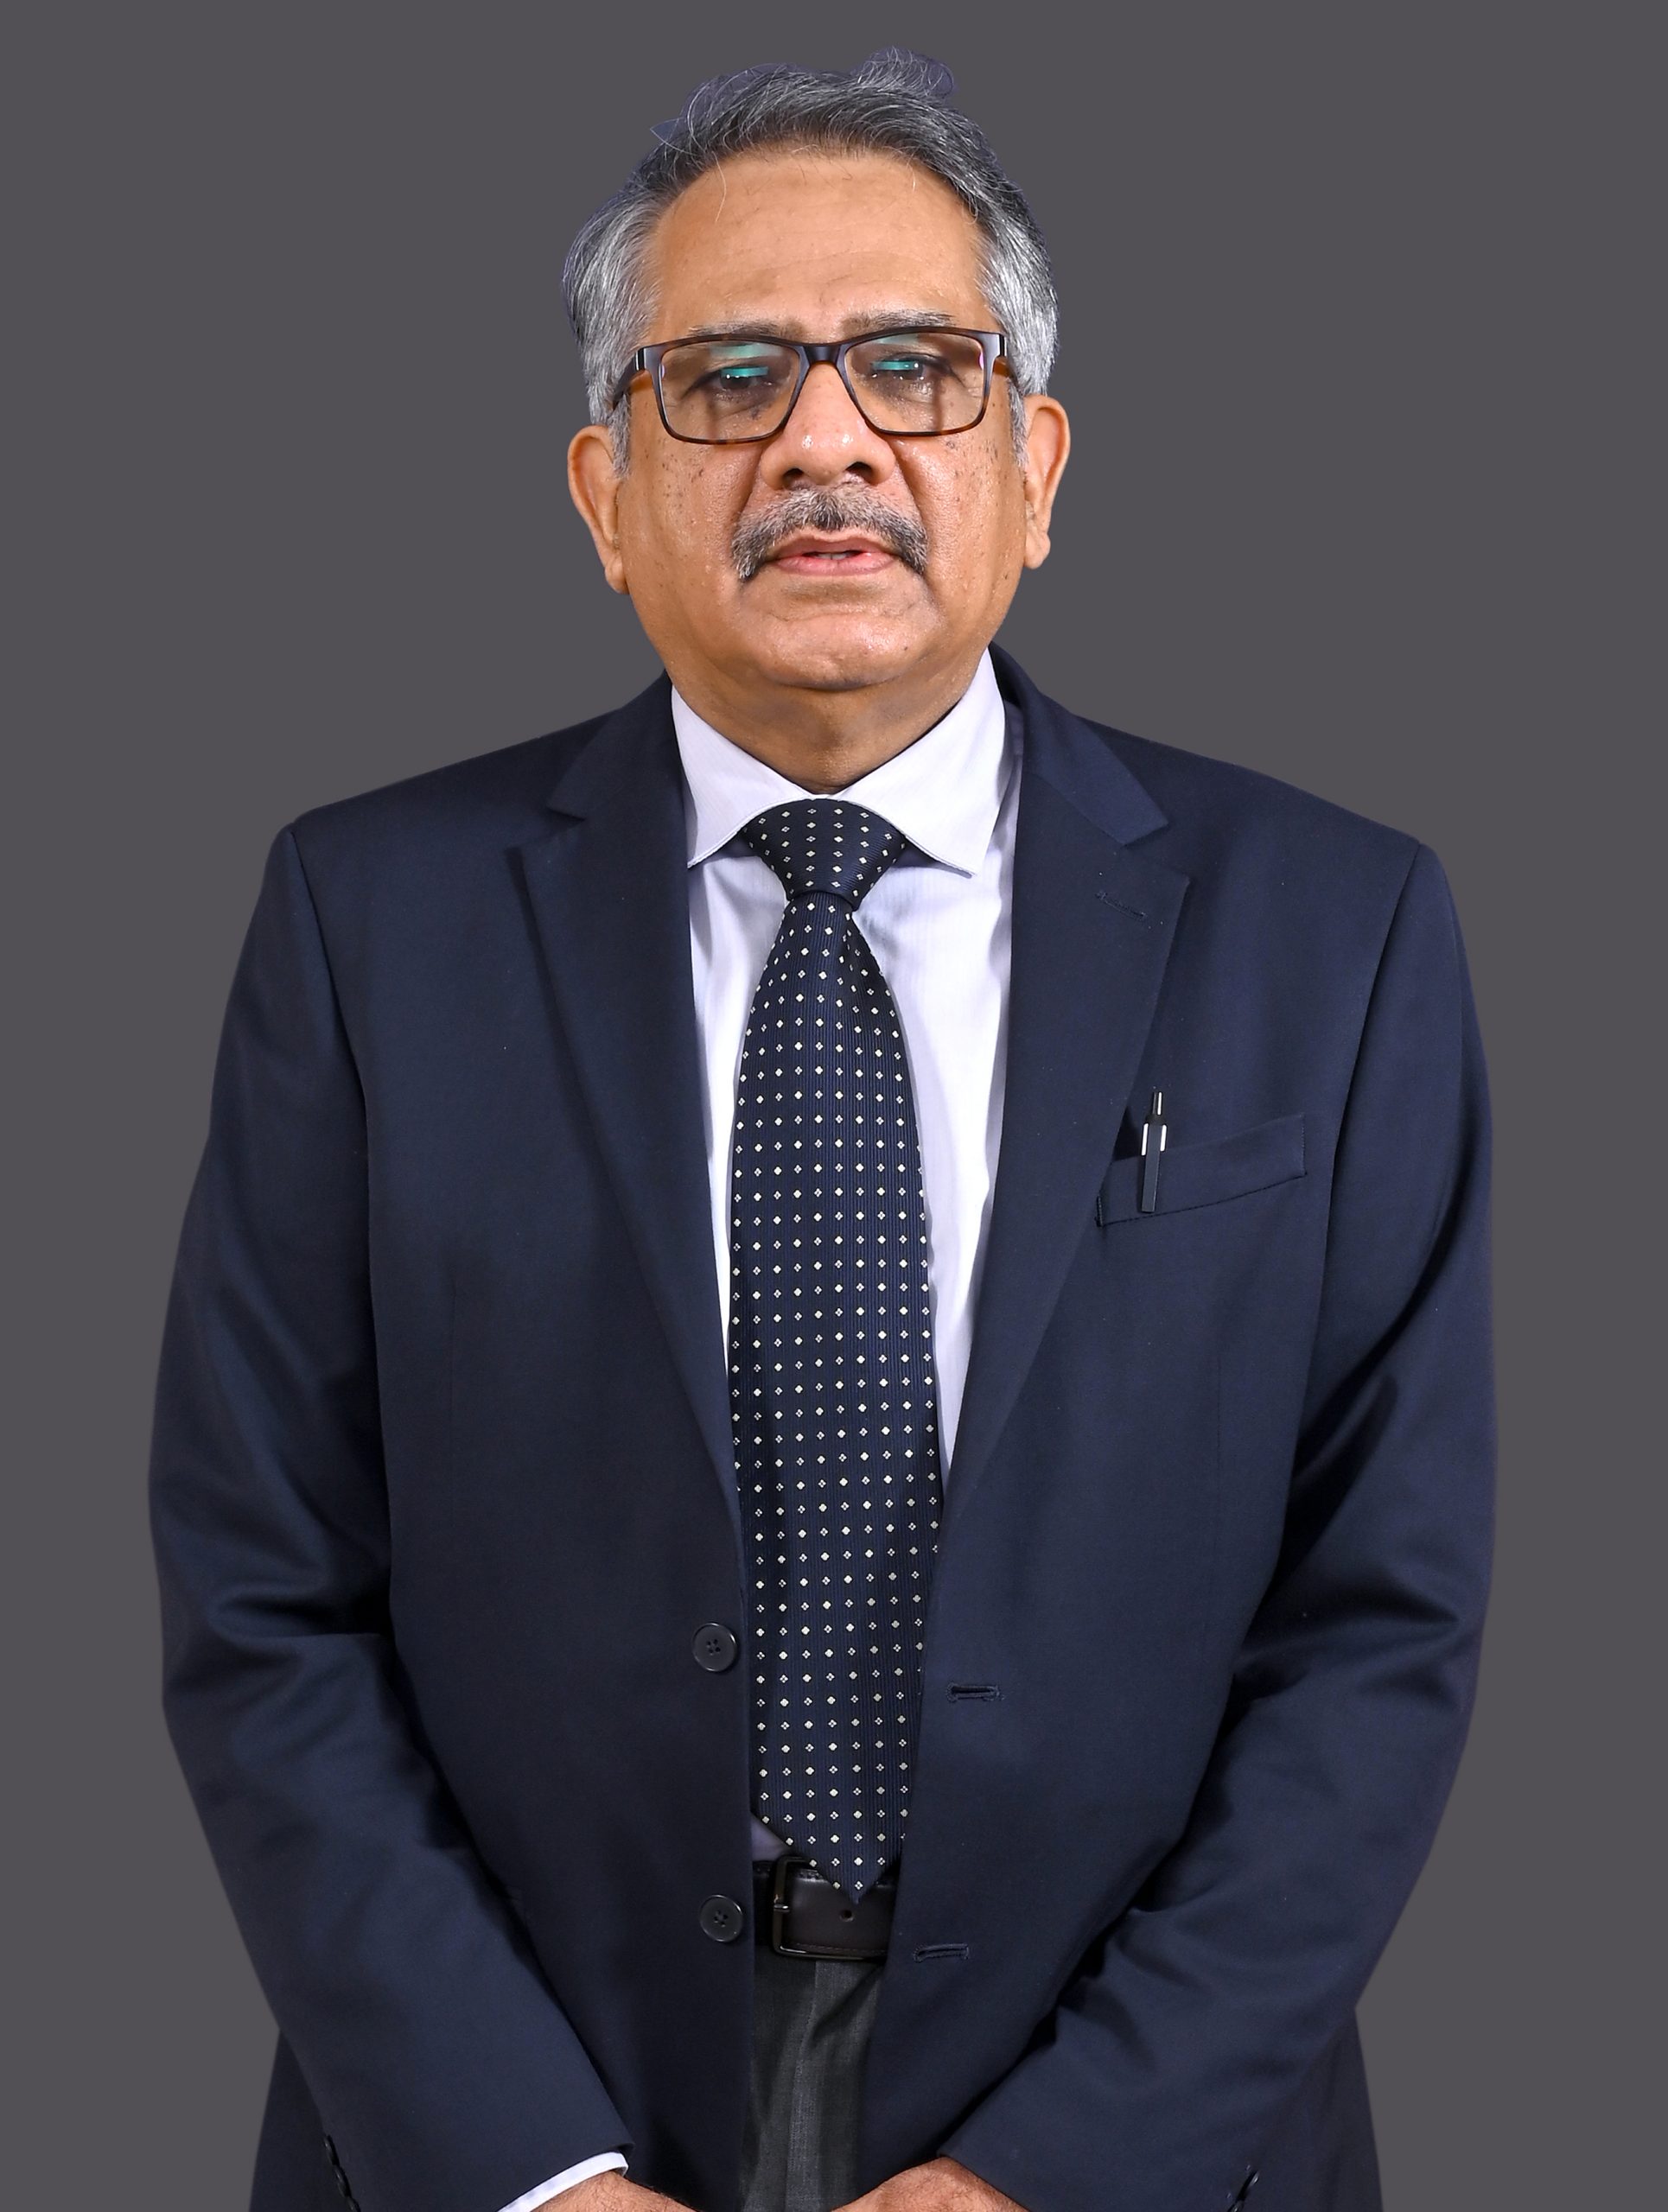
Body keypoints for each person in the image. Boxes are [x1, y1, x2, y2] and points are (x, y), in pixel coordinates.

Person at [150, 48, 1493, 2212]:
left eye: (911, 367)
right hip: (510, 2109)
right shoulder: (365, 921)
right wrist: (527, 2165)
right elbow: (264, 1597)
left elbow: (1377, 1627)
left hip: (1129, 2124)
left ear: (1032, 468)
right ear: (604, 493)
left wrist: (1056, 2163)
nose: (825, 442)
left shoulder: (1332, 931)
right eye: (730, 378)